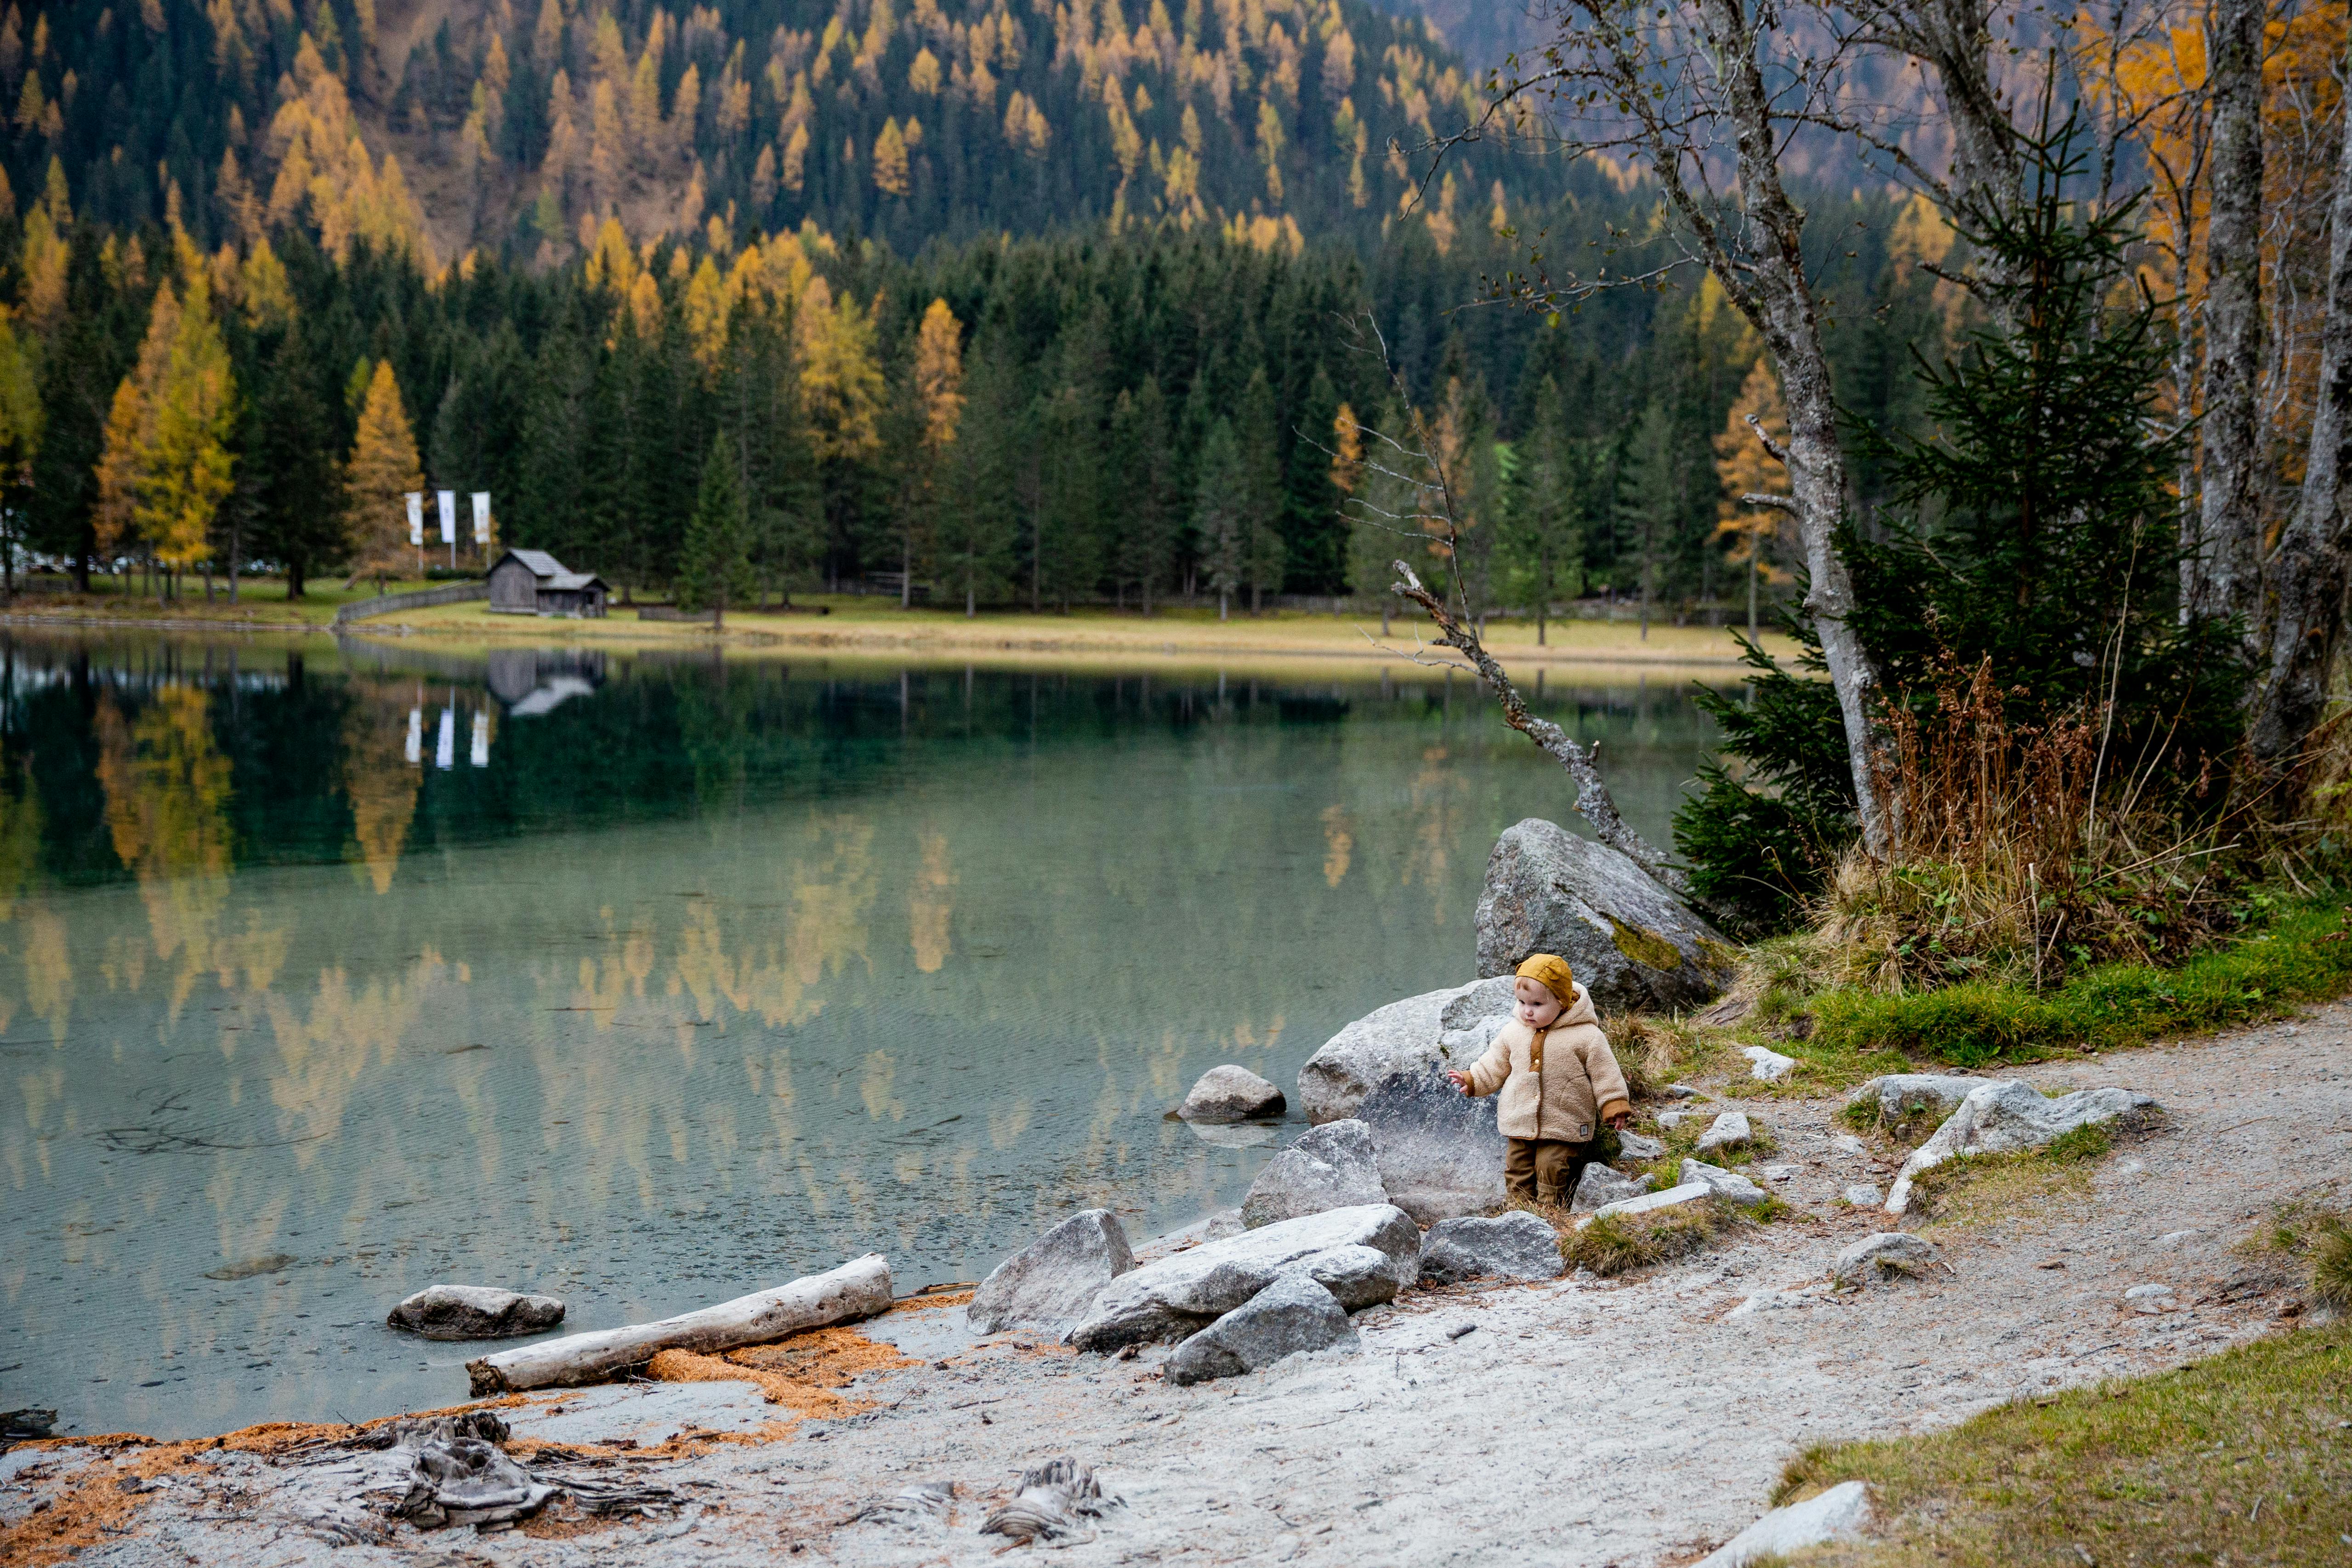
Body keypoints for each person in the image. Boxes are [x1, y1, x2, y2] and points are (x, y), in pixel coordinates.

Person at [1446, 953, 1633, 1206]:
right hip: (1520, 1117)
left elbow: (1605, 1073)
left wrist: (1614, 1104)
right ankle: (1518, 1209)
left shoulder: (1587, 1036)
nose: (1527, 1011)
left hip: (1565, 1120)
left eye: (1536, 1004)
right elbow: (1495, 1064)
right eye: (1522, 1002)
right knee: (1517, 1165)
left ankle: (1549, 1209)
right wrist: (1473, 1079)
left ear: (1562, 1001)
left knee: (1551, 1165)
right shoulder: (1513, 1031)